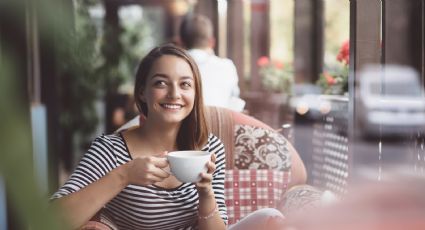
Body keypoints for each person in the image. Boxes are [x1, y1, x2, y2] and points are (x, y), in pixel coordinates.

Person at [51, 44, 283, 230]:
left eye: (185, 85)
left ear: (195, 93)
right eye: (161, 83)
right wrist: (124, 175)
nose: (174, 94)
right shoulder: (111, 150)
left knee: (271, 218)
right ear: (142, 91)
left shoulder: (210, 148)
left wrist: (206, 194)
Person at [179, 14, 245, 112]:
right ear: (212, 42)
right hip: (220, 124)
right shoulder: (227, 66)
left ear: (180, 42)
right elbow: (234, 101)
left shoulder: (174, 67)